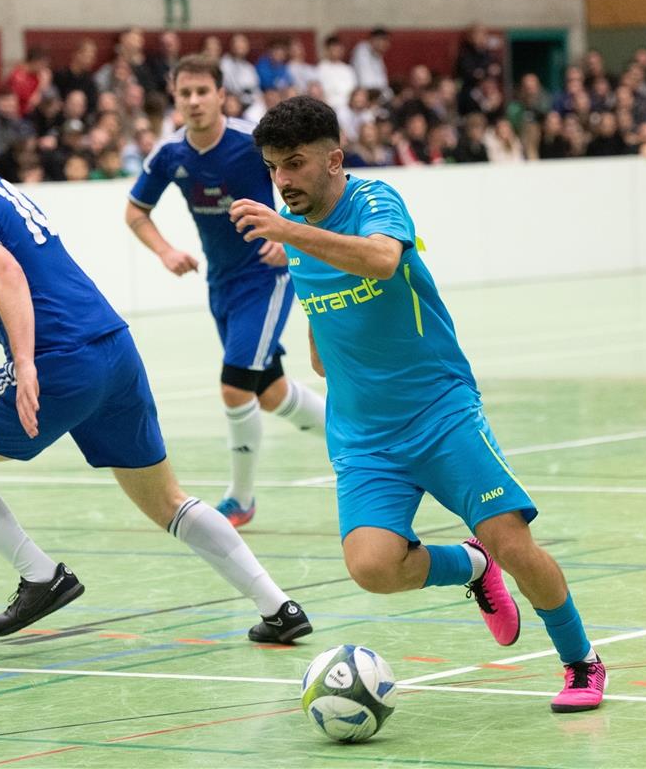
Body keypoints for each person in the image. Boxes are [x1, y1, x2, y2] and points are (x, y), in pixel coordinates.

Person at [0, 118, 312, 644]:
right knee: (166, 501)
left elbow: (6, 274)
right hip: (113, 349)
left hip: (59, 359)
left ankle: (40, 576)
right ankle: (279, 607)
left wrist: (26, 363)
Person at [229, 94, 606, 713]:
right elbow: (316, 310)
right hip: (363, 434)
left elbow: (381, 259)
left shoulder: (374, 202)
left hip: (440, 413)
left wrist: (288, 232)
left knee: (514, 543)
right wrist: (321, 353)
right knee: (373, 567)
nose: (282, 181)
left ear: (333, 160)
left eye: (294, 164)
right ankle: (469, 568)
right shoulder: (293, 228)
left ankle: (580, 661)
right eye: (273, 167)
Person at [125, 55, 326, 529]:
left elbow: (310, 186)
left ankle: (240, 499)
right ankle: (359, 438)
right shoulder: (170, 154)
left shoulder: (252, 143)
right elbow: (135, 211)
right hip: (221, 282)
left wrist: (289, 233)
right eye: (184, 93)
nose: (193, 101)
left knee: (235, 387)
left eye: (202, 92)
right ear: (174, 99)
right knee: (272, 392)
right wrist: (165, 252)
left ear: (221, 95)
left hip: (265, 277)